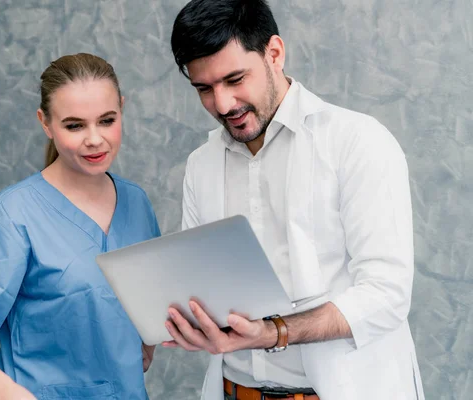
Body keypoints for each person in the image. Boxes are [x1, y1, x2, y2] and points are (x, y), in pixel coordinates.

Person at [164, 1, 425, 399]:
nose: (223, 104)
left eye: (235, 79)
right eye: (204, 88)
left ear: (274, 53)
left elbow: (386, 294)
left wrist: (274, 332)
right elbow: (202, 286)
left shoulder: (357, 143)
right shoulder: (200, 165)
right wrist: (191, 319)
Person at [0, 53, 159, 400]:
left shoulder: (136, 203)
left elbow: (148, 302)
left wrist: (147, 338)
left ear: (121, 111)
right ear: (45, 123)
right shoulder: (14, 215)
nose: (95, 139)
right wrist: (1, 389)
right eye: (74, 125)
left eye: (107, 120)